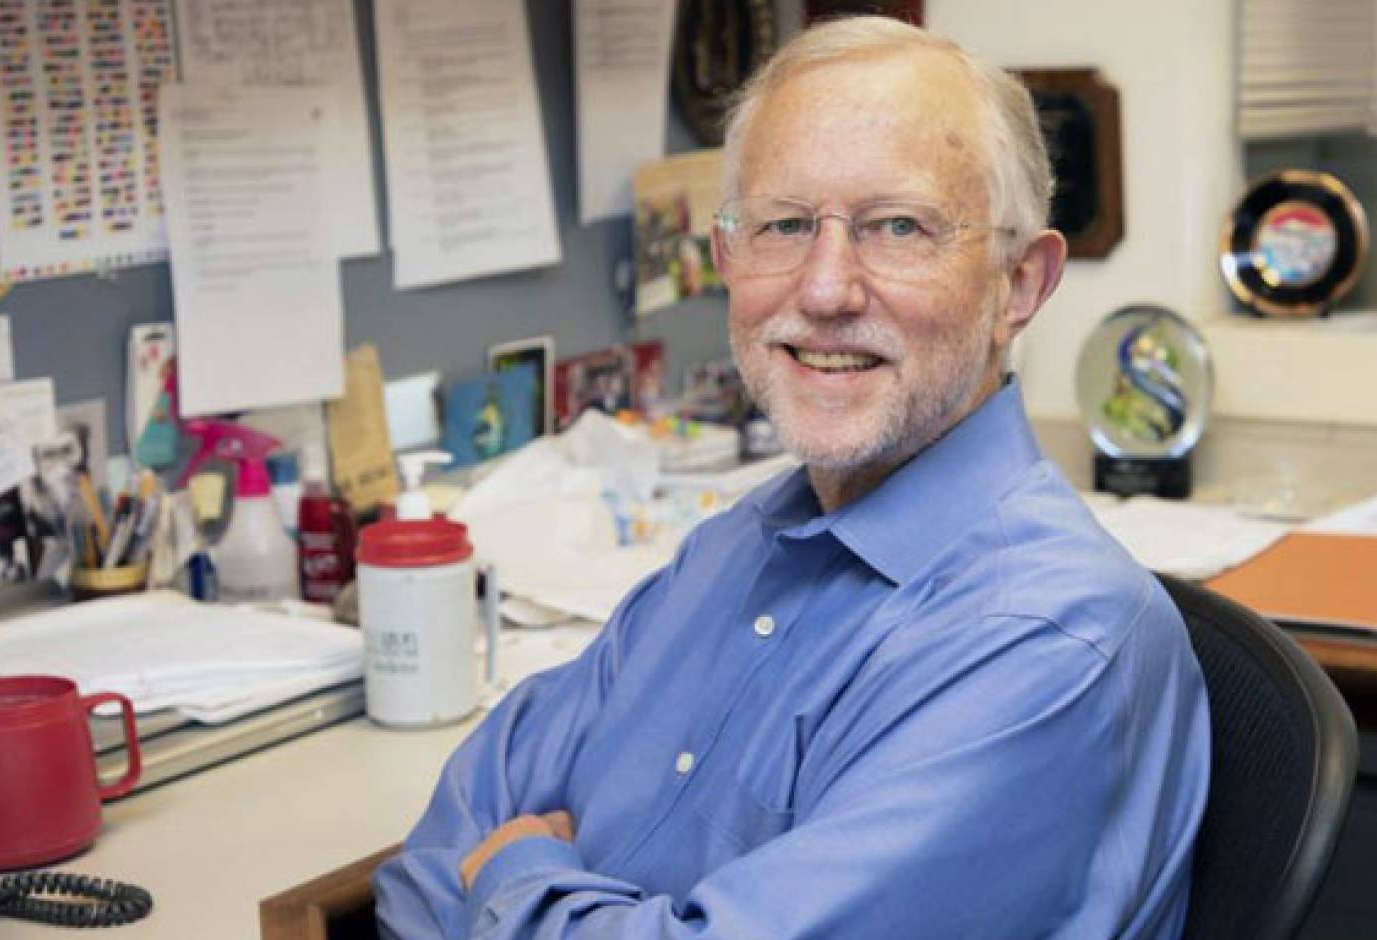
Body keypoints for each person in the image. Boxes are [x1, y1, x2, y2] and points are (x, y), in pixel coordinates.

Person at [374, 16, 1209, 939]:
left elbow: (479, 861)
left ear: (1018, 284)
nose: (824, 290)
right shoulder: (732, 552)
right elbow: (437, 848)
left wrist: (521, 871)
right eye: (785, 225)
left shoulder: (1045, 642)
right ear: (728, 257)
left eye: (899, 227)